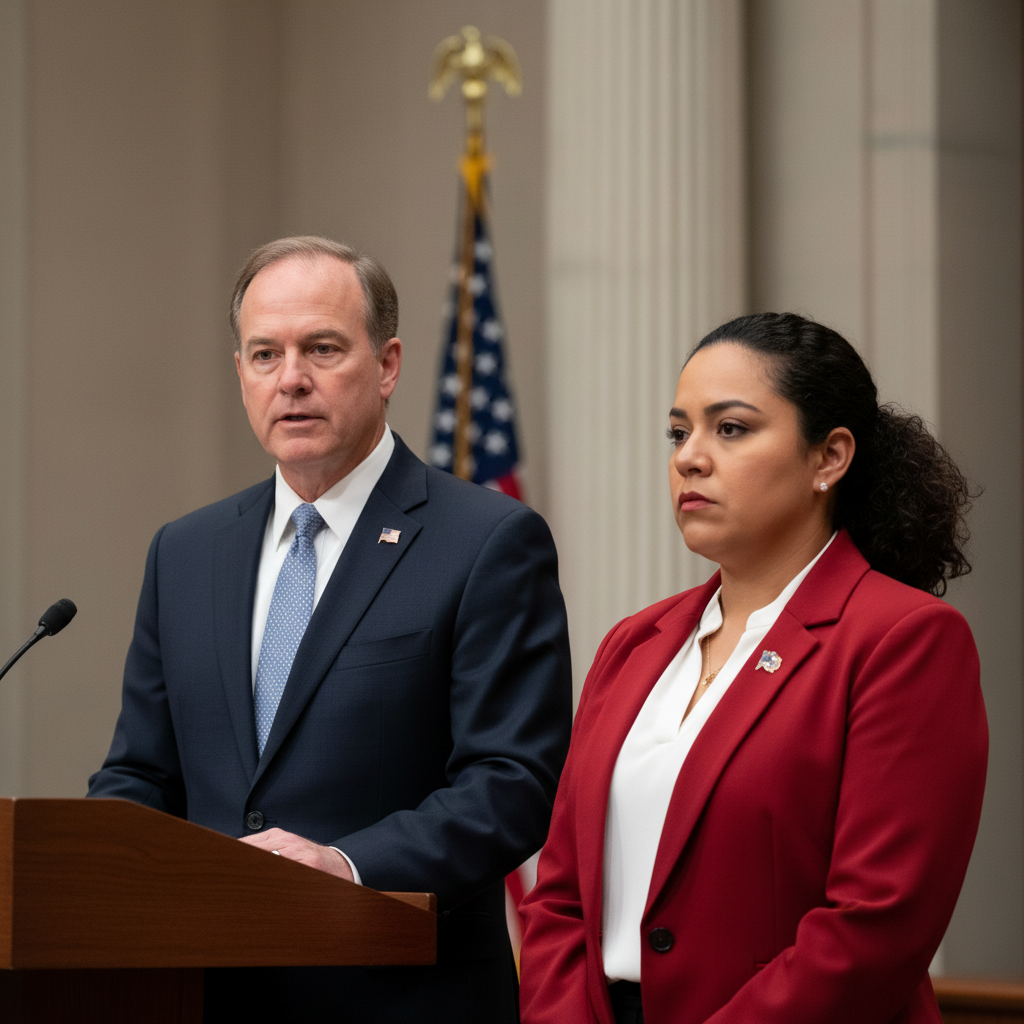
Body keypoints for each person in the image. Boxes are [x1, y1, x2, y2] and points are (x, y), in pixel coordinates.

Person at [88, 235, 572, 1023]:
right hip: (207, 996)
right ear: (240, 373)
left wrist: (344, 865)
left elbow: (510, 784)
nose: (292, 379)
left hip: (401, 997)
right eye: (265, 354)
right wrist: (94, 861)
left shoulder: (486, 541)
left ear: (387, 365)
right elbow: (141, 775)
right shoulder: (186, 551)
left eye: (321, 348)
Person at [519, 312, 987, 1024]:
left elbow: (875, 924)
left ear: (829, 457)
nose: (689, 458)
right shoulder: (633, 644)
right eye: (679, 433)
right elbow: (559, 898)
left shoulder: (903, 640)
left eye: (730, 428)